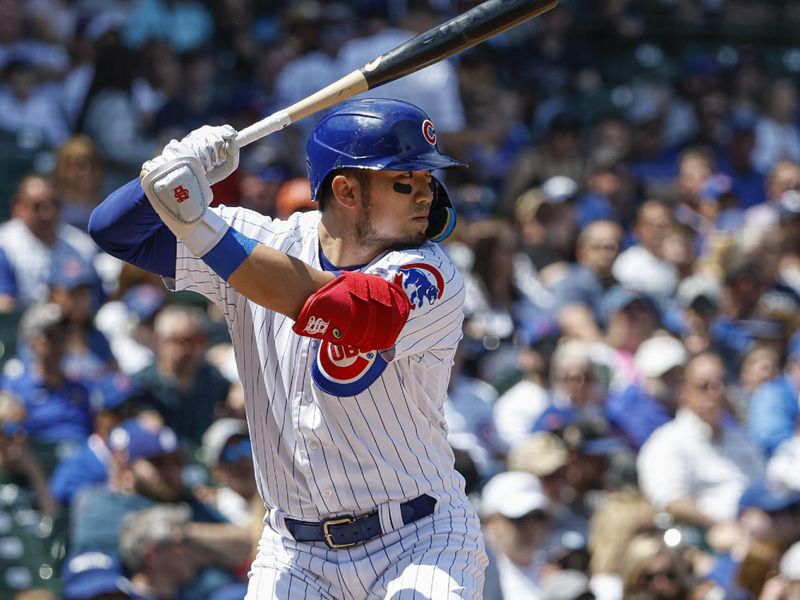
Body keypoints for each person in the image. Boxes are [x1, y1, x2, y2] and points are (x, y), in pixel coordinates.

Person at [88, 98, 488, 598]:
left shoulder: (431, 271)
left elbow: (355, 312)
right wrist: (166, 174)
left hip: (418, 535)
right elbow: (113, 230)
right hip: (296, 550)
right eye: (405, 180)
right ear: (345, 190)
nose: (425, 195)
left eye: (429, 180)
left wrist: (196, 220)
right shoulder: (264, 239)